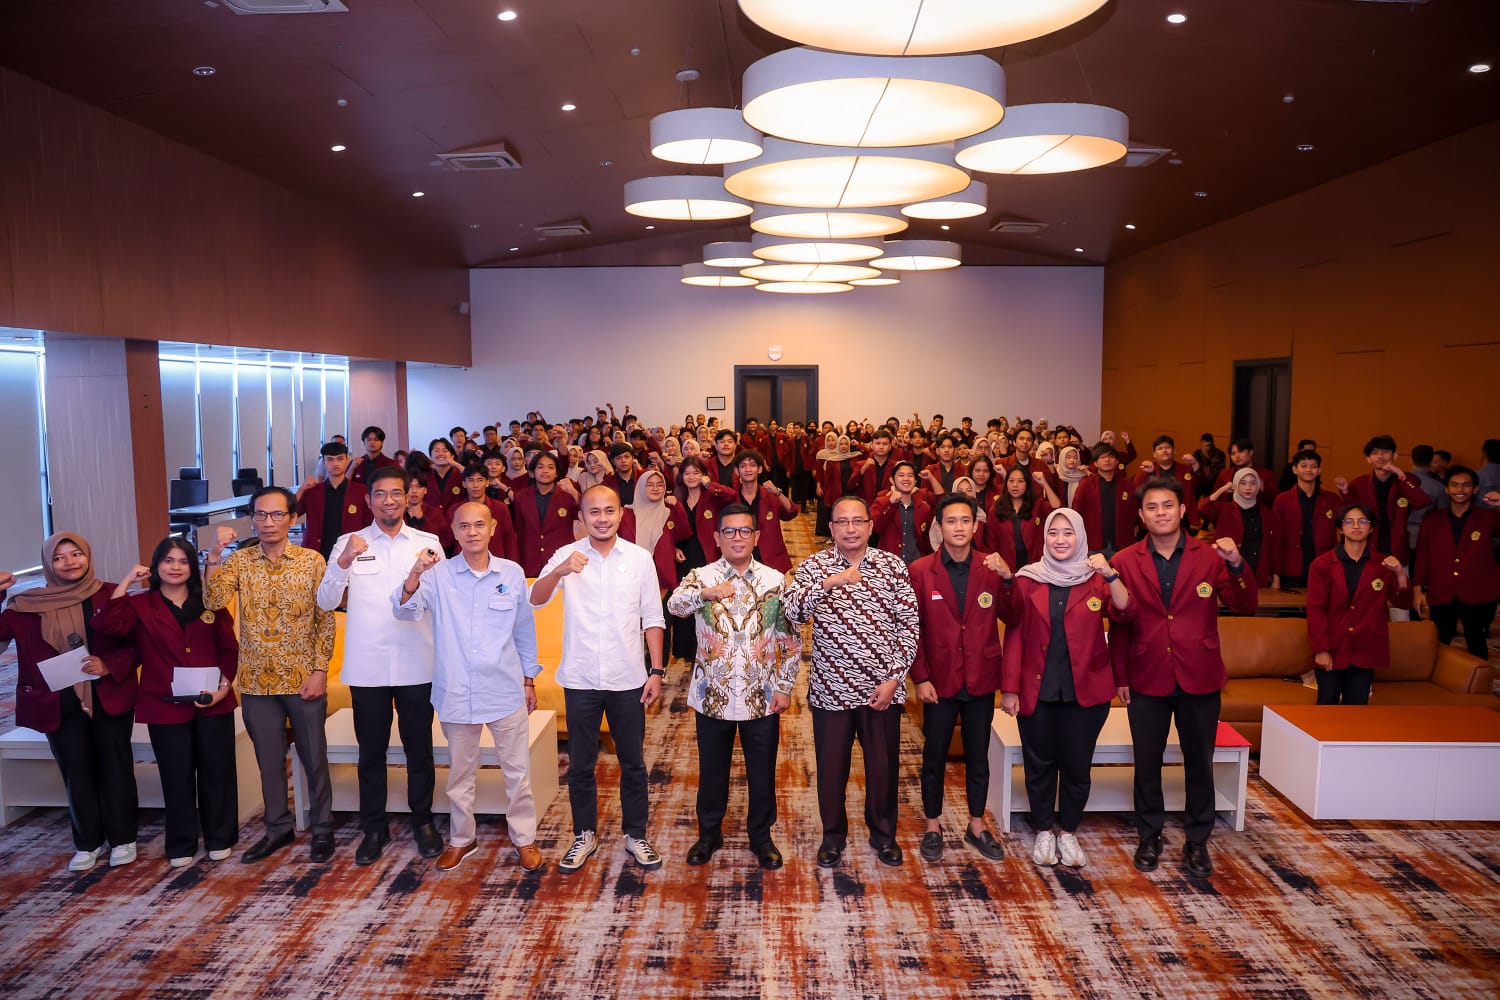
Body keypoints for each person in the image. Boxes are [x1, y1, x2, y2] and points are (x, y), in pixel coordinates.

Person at [1108, 477, 1256, 880]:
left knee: (1199, 762)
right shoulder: (1125, 560)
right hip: (1146, 673)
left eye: (1168, 505)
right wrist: (1120, 675)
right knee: (1147, 761)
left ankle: (1197, 839)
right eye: (1152, 507)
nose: (1161, 513)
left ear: (1182, 510)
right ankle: (1149, 835)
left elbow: (1245, 604)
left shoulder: (1209, 556)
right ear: (1141, 515)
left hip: (1200, 675)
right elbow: (1119, 625)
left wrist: (1237, 563)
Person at [393, 501, 544, 873]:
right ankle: (462, 839)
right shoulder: (438, 575)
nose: (472, 532)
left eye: (479, 524)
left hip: (504, 687)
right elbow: (403, 610)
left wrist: (529, 679)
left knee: (516, 771)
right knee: (460, 774)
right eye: (464, 526)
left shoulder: (511, 573)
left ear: (492, 528)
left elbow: (524, 631)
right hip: (456, 689)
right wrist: (416, 571)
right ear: (454, 532)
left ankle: (524, 838)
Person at [530, 485, 666, 873]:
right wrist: (559, 570)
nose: (602, 518)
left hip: (628, 679)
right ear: (582, 518)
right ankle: (584, 835)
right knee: (580, 765)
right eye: (594, 512)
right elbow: (536, 598)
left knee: (633, 762)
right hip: (581, 678)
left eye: (609, 511)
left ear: (621, 515)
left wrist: (656, 671)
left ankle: (636, 835)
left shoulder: (639, 559)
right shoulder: (566, 556)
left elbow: (652, 618)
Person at [316, 466, 445, 865]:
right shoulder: (348, 542)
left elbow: (439, 601)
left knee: (419, 750)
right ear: (368, 499)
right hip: (367, 663)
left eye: (396, 493)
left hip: (417, 661)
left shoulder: (427, 543)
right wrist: (343, 562)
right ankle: (374, 828)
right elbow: (325, 601)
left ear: (408, 497)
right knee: (370, 753)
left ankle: (423, 822)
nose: (389, 501)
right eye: (380, 494)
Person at [783, 495, 919, 869]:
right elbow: (793, 612)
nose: (851, 529)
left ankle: (884, 835)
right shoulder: (814, 567)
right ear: (831, 528)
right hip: (831, 689)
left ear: (870, 526)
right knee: (831, 770)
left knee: (883, 768)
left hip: (882, 689)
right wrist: (829, 583)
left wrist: (894, 679)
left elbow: (909, 626)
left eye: (858, 521)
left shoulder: (892, 566)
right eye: (842, 522)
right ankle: (832, 837)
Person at [205, 486, 338, 864]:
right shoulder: (240, 561)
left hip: (302, 677)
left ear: (292, 518)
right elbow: (213, 601)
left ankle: (323, 828)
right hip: (256, 680)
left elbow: (325, 621)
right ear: (252, 519)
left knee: (314, 758)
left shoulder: (311, 561)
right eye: (261, 514)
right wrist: (214, 556)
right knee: (269, 761)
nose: (268, 522)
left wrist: (320, 670)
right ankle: (277, 828)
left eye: (277, 514)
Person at [668, 504, 802, 870]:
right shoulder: (701, 576)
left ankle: (761, 837)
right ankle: (709, 834)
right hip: (714, 694)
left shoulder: (775, 580)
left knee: (762, 771)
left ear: (756, 537)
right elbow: (675, 606)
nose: (737, 538)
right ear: (717, 538)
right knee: (712, 770)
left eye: (745, 531)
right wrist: (705, 594)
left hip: (762, 695)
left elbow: (790, 639)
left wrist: (784, 686)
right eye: (729, 531)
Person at [995, 507, 1130, 869]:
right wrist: (1010, 688)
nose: (1060, 540)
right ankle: (1043, 830)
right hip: (1036, 690)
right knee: (1038, 765)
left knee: (1077, 766)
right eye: (1053, 532)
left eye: (1068, 533)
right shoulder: (1028, 579)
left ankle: (1068, 831)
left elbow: (1125, 610)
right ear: (1045, 538)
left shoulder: (1096, 579)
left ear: (1080, 537)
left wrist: (1110, 573)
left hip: (1086, 691)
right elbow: (1015, 634)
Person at [0, 534, 138, 872]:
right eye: (59, 557)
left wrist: (109, 665)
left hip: (107, 694)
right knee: (76, 771)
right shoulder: (25, 605)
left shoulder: (109, 594)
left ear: (88, 556)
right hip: (57, 701)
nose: (69, 562)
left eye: (76, 554)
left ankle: (123, 838)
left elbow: (137, 644)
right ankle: (88, 842)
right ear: (48, 564)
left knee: (115, 767)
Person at [100, 537, 238, 867]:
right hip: (164, 704)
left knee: (217, 771)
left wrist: (224, 687)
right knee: (175, 776)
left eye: (183, 561)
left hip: (213, 700)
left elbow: (229, 649)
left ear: (192, 566)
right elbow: (108, 626)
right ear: (156, 565)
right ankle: (181, 843)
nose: (175, 567)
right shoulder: (139, 605)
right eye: (168, 560)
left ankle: (220, 837)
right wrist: (126, 581)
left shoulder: (210, 601)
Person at [907, 494, 1006, 863]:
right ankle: (933, 826)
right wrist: (920, 677)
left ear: (975, 526)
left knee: (979, 757)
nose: (959, 527)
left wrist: (1009, 578)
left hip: (981, 678)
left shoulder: (991, 567)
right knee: (933, 756)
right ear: (939, 527)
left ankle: (976, 826)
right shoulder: (920, 570)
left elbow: (1014, 616)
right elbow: (911, 628)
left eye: (966, 520)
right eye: (951, 521)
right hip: (939, 681)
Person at [1306, 502, 1412, 705]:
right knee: (1326, 703)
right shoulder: (1322, 564)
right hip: (1332, 646)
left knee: (1357, 707)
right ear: (1340, 528)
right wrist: (1321, 649)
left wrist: (1400, 574)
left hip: (1366, 647)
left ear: (1371, 528)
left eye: (1363, 521)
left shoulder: (1383, 564)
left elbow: (1403, 602)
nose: (1356, 526)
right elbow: (1316, 610)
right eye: (1349, 522)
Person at [1414, 466, 1500, 659]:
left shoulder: (1488, 517)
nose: (1460, 489)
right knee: (1438, 642)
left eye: (1466, 485)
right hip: (1441, 590)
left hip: (1478, 592)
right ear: (1446, 489)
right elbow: (1422, 555)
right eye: (1454, 485)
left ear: (1475, 489)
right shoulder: (1432, 520)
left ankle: (1479, 678)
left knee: (1476, 641)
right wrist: (1417, 589)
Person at [1337, 435, 1431, 571]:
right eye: (1375, 453)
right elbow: (1351, 512)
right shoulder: (1359, 484)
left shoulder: (1407, 480)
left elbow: (1423, 501)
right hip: (1367, 548)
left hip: (1398, 549)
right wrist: (1346, 491)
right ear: (1368, 458)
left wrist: (1401, 476)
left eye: (1385, 452)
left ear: (1395, 456)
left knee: (1400, 583)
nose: (1380, 456)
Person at [1267, 449, 1340, 588]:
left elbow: (1347, 524)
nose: (1309, 470)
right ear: (1295, 469)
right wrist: (1276, 576)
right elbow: (1276, 539)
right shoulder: (1282, 500)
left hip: (1323, 566)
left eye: (1313, 466)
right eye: (1304, 466)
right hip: (1291, 569)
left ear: (1319, 470)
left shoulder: (1332, 499)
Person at [1198, 468, 1274, 587]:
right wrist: (1222, 490)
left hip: (1257, 572)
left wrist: (1273, 576)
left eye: (1253, 483)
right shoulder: (1224, 509)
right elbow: (1203, 508)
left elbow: (1271, 546)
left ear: (1259, 486)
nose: (1248, 487)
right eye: (1242, 483)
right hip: (1227, 572)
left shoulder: (1266, 513)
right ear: (1235, 485)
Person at [297, 440, 372, 561]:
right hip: (316, 552)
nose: (335, 463)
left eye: (340, 459)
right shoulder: (312, 491)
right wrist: (301, 490)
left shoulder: (360, 491)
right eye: (330, 459)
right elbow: (291, 513)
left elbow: (369, 523)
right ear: (323, 462)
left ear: (347, 460)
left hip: (352, 552)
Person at [512, 451, 581, 577]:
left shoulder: (567, 496)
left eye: (550, 467)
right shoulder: (521, 497)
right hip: (531, 563)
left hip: (561, 562)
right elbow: (519, 532)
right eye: (540, 467)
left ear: (556, 473)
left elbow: (583, 515)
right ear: (532, 472)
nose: (545, 471)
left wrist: (575, 494)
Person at [731, 450, 799, 574]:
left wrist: (777, 493)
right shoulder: (731, 498)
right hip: (741, 556)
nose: (748, 469)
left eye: (752, 465)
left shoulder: (770, 495)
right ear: (737, 471)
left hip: (769, 557)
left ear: (760, 469)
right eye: (743, 466)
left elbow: (791, 512)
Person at [1072, 442, 1136, 557]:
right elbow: (1076, 512)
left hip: (1122, 545)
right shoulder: (1085, 484)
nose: (1107, 460)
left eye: (1111, 457)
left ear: (1117, 461)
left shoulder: (1127, 485)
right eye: (1102, 457)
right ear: (1095, 463)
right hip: (1093, 544)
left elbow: (1134, 512)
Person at [870, 461, 932, 564]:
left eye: (910, 475)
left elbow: (926, 539)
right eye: (901, 475)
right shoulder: (882, 502)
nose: (906, 478)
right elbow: (874, 527)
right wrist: (890, 503)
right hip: (889, 562)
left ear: (915, 481)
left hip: (916, 562)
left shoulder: (924, 508)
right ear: (892, 480)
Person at [462, 463, 519, 563]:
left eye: (480, 480)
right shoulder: (456, 511)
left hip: (497, 564)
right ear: (464, 484)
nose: (475, 485)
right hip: (464, 565)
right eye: (471, 480)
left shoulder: (500, 508)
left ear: (487, 483)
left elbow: (510, 542)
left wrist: (514, 566)